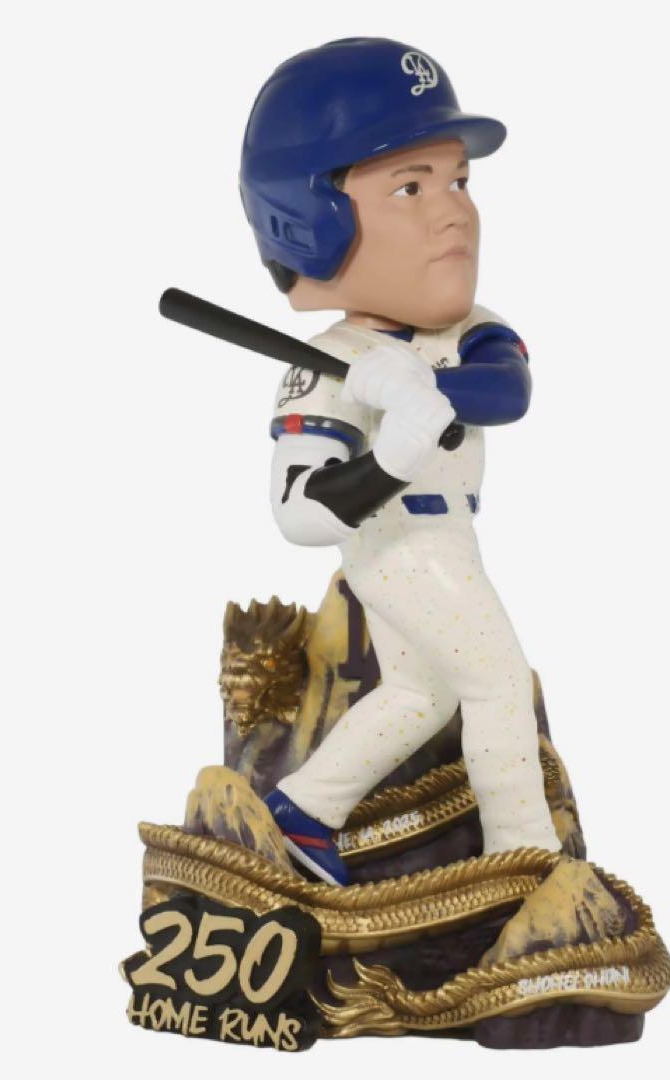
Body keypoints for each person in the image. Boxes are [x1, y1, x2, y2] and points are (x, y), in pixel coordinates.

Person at [239, 38, 561, 885]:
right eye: (410, 188)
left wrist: (424, 387)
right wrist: (391, 448)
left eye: (459, 181)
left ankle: (303, 810)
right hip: (396, 547)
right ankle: (523, 858)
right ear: (313, 219)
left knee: (423, 693)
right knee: (496, 683)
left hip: (451, 539)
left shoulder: (464, 331)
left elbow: (508, 389)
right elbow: (300, 512)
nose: (452, 212)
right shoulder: (329, 365)